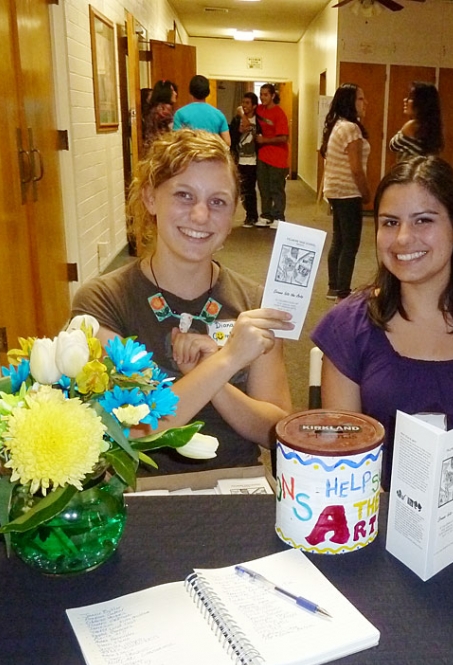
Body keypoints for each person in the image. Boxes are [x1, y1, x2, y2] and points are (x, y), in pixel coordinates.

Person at [72, 129, 293, 473]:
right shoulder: (103, 302)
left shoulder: (253, 301)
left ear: (233, 211)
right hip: (137, 492)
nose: (201, 216)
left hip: (234, 486)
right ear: (149, 197)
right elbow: (132, 429)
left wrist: (212, 378)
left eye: (218, 202)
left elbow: (275, 432)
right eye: (184, 196)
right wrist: (227, 361)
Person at [311, 156, 453, 490]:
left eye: (423, 220)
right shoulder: (347, 326)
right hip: (375, 512)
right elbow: (348, 460)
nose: (403, 238)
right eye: (389, 223)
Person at [320, 83, 371, 301]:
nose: (365, 103)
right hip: (348, 191)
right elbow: (356, 168)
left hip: (335, 190)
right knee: (350, 242)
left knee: (339, 239)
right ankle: (343, 291)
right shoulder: (351, 128)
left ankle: (334, 287)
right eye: (360, 99)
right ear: (350, 102)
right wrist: (367, 193)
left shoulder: (338, 125)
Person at [254, 83, 289, 228]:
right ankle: (266, 215)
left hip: (277, 157)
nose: (263, 97)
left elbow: (284, 137)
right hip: (263, 156)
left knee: (276, 188)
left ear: (273, 95)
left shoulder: (279, 113)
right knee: (263, 187)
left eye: (266, 94)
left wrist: (265, 140)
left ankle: (278, 216)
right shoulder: (259, 110)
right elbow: (243, 111)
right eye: (261, 94)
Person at [388, 81, 444, 161]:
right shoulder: (432, 127)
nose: (405, 100)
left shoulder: (412, 125)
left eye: (410, 98)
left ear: (422, 103)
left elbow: (393, 146)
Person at [173, 75, 231, 147]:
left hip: (189, 155)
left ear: (190, 91)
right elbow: (227, 142)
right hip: (211, 155)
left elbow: (176, 141)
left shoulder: (180, 114)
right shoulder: (219, 115)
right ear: (208, 92)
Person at [229, 91, 259, 228]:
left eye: (247, 103)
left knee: (252, 189)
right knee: (242, 189)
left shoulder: (259, 120)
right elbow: (231, 139)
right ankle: (249, 213)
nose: (244, 106)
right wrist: (239, 131)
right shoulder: (237, 120)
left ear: (254, 105)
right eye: (243, 103)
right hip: (240, 160)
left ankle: (253, 216)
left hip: (255, 160)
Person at [142, 79, 177, 152]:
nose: (175, 93)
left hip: (153, 146)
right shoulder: (164, 110)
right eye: (172, 90)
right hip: (162, 147)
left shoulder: (154, 108)